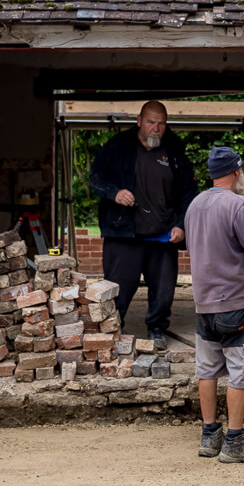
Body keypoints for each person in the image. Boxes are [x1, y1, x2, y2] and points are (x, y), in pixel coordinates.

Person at [185, 147, 244, 463]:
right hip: (238, 302)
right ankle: (235, 441)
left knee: (207, 369)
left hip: (204, 303)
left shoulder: (195, 205)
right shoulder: (239, 206)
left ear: (212, 173)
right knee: (242, 369)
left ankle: (210, 435)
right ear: (236, 171)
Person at [88, 100, 197, 351]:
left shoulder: (175, 149)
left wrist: (181, 225)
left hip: (163, 234)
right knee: (119, 287)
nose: (155, 129)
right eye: (150, 122)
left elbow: (189, 192)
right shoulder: (118, 146)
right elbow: (96, 177)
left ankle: (157, 328)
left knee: (164, 290)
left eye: (161, 124)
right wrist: (114, 193)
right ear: (139, 121)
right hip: (124, 232)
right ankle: (114, 326)